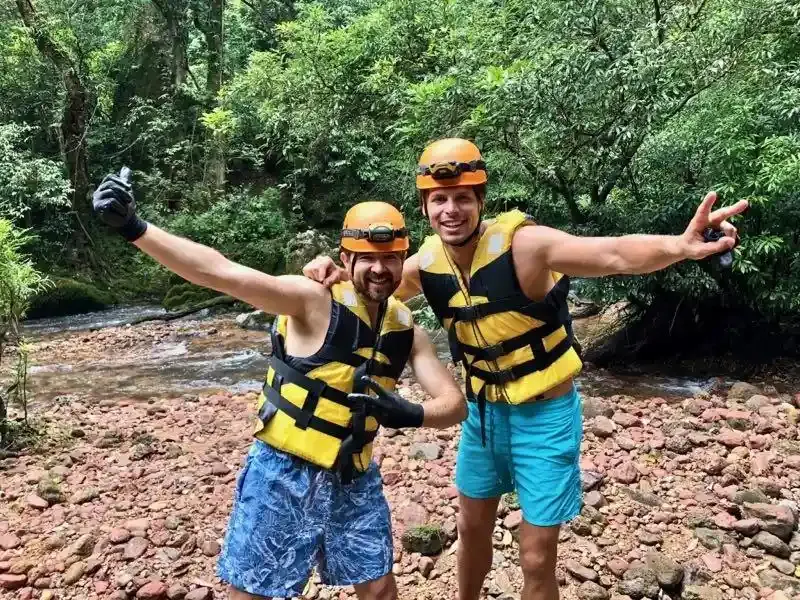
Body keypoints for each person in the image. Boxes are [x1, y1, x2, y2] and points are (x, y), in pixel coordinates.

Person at [302, 138, 748, 600]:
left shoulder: (525, 245)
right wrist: (328, 271)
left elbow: (613, 255)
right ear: (425, 207)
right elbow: (370, 287)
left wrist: (680, 245)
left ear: (481, 201)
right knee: (470, 527)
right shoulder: (426, 263)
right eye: (439, 200)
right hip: (483, 417)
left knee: (535, 556)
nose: (451, 210)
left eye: (462, 198)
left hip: (545, 414)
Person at [91, 170, 467, 600]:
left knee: (379, 587)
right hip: (284, 471)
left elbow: (454, 404)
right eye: (368, 258)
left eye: (391, 259)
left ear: (404, 261)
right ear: (346, 260)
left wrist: (411, 413)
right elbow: (219, 272)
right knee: (253, 592)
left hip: (354, 475)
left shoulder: (407, 329)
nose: (380, 269)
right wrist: (135, 229)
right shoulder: (310, 299)